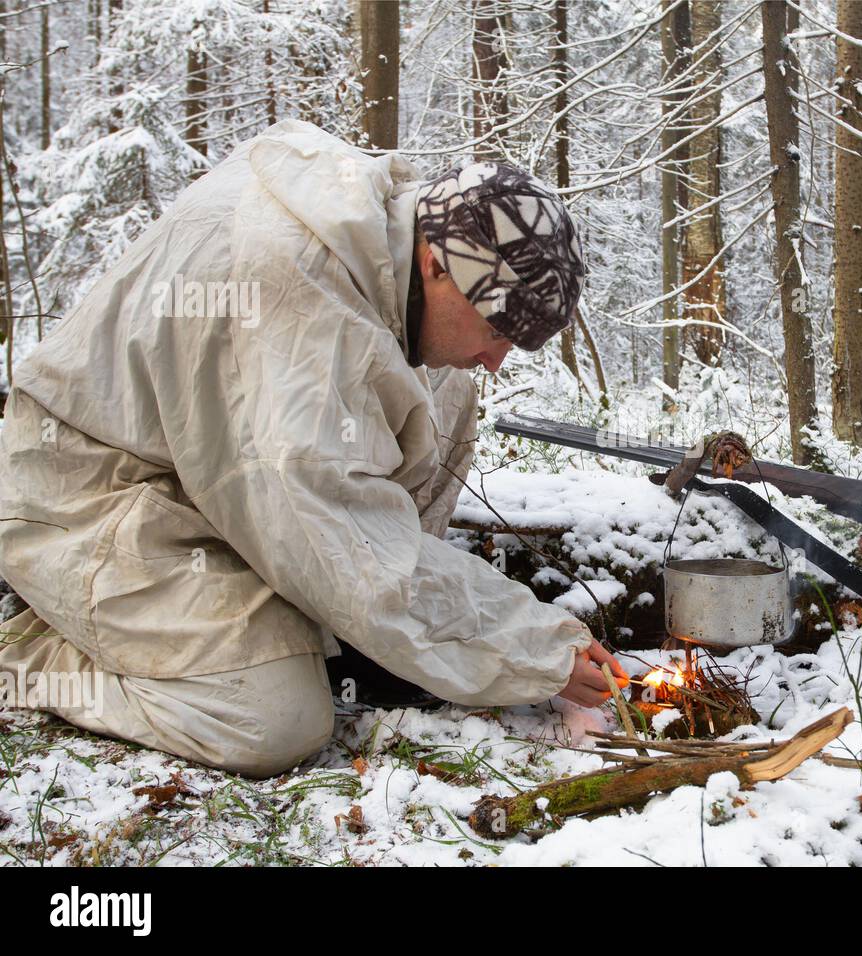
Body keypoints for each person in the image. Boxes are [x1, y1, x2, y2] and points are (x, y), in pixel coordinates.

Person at [0, 120, 627, 777]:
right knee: (273, 719)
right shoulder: (295, 304)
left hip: (209, 470)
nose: (499, 359)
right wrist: (536, 651)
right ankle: (36, 654)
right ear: (437, 265)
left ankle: (356, 636)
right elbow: (343, 537)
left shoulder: (389, 230)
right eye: (499, 328)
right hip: (93, 491)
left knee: (449, 387)